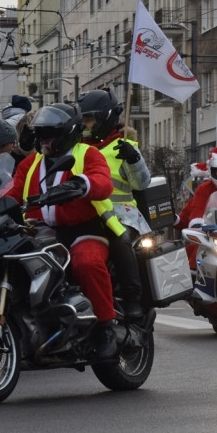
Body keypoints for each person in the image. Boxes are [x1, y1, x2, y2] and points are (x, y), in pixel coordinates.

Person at [5, 102, 125, 360]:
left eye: (50, 135)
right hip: (41, 232)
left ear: (66, 133)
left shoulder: (88, 154)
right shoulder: (30, 164)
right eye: (41, 135)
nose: (44, 141)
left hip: (84, 229)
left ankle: (105, 327)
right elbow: (12, 194)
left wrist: (81, 184)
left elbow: (103, 182)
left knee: (86, 263)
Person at [78, 88, 150, 319]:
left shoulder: (123, 145)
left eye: (90, 119)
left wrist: (134, 158)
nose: (86, 125)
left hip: (122, 214)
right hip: (86, 212)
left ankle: (132, 297)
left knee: (121, 242)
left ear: (105, 118)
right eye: (84, 120)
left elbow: (141, 184)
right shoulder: (78, 146)